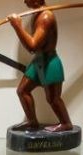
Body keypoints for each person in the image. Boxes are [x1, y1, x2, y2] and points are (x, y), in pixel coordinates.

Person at [8, 0, 73, 132]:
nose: (24, 1)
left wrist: (17, 26)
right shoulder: (37, 13)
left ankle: (66, 123)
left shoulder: (46, 17)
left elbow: (32, 46)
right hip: (39, 60)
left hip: (49, 62)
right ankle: (32, 122)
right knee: (23, 91)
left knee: (53, 98)